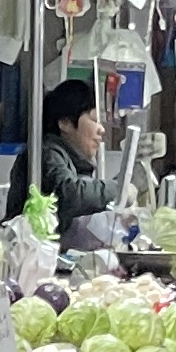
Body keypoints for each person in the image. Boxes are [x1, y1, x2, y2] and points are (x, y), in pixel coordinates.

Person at [39, 79, 124, 249]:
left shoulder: (72, 161)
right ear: (65, 123)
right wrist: (119, 189)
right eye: (94, 119)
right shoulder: (48, 153)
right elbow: (70, 194)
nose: (101, 129)